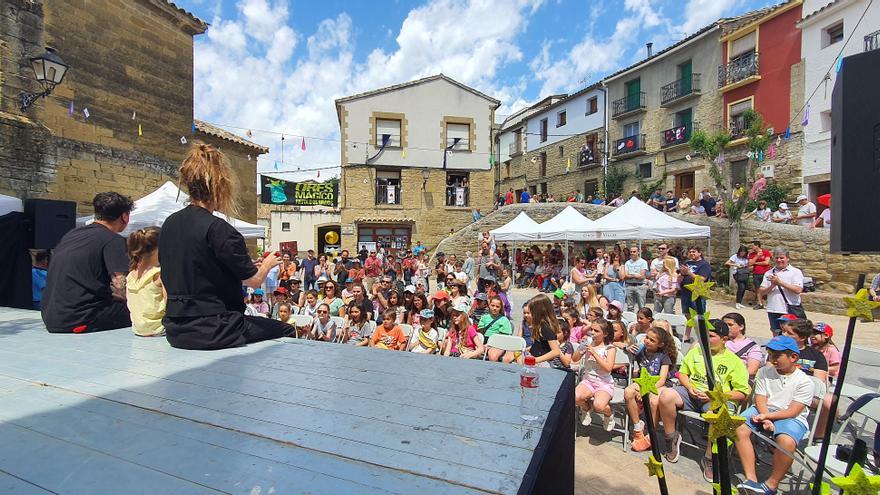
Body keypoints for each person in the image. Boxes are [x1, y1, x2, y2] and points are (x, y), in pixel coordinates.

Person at [158, 144, 291, 349]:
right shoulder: (219, 229)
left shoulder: (169, 224)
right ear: (220, 187)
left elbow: (196, 266)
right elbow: (253, 281)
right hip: (216, 329)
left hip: (175, 329)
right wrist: (267, 264)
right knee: (287, 330)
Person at [657, 319, 750, 467]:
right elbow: (682, 374)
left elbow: (742, 393)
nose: (706, 339)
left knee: (720, 414)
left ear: (724, 339)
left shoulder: (734, 361)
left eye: (711, 336)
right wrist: (689, 387)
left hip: (716, 400)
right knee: (666, 395)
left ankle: (709, 457)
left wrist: (716, 396)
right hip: (691, 394)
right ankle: (671, 438)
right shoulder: (696, 352)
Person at [41, 191, 133, 333]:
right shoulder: (113, 240)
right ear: (124, 216)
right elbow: (121, 284)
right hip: (82, 317)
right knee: (145, 312)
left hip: (51, 316)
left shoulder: (72, 234)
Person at [735, 335, 815, 495]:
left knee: (786, 441)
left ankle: (771, 484)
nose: (772, 359)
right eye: (771, 355)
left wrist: (768, 418)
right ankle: (751, 478)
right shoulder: (765, 371)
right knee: (739, 427)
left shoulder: (805, 382)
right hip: (763, 410)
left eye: (777, 355)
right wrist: (765, 416)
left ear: (793, 357)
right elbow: (760, 399)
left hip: (790, 417)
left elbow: (794, 411)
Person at [626, 327, 676, 452]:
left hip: (658, 385)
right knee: (628, 392)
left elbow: (662, 380)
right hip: (643, 381)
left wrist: (646, 391)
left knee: (653, 402)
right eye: (647, 337)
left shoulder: (663, 357)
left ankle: (651, 434)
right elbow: (616, 342)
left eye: (652, 340)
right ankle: (638, 427)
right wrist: (627, 348)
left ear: (660, 344)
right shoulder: (640, 351)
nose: (647, 341)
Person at [573, 318, 618, 431]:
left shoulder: (610, 348)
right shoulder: (587, 341)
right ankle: (586, 408)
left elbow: (608, 368)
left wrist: (594, 353)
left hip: (604, 383)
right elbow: (574, 359)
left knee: (599, 406)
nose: (592, 333)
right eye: (592, 329)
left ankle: (609, 414)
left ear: (605, 334)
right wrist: (580, 351)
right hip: (588, 380)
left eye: (596, 331)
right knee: (574, 396)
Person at [126, 227, 166, 337]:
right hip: (159, 329)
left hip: (138, 329)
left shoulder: (131, 275)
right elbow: (170, 305)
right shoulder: (159, 275)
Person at [759, 248, 804, 336]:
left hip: (790, 309)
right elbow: (762, 292)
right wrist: (772, 285)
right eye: (777, 258)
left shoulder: (795, 272)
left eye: (782, 258)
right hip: (774, 309)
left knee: (793, 335)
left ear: (787, 258)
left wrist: (780, 283)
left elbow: (798, 290)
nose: (779, 260)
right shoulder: (769, 273)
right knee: (776, 335)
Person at [679, 246, 712, 342]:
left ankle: (702, 337)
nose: (692, 253)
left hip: (697, 294)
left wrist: (688, 272)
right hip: (685, 293)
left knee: (699, 316)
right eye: (690, 252)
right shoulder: (687, 263)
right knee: (687, 315)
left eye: (694, 252)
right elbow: (681, 275)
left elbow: (701, 279)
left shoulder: (704, 265)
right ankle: (687, 335)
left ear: (699, 253)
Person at [723, 312, 763, 380]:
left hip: (740, 380)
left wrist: (730, 377)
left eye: (730, 325)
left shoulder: (752, 347)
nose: (726, 327)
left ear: (741, 327)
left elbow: (752, 370)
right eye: (724, 325)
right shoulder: (718, 341)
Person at [481, 296, 513, 361]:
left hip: (498, 343)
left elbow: (505, 337)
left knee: (493, 355)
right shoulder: (484, 317)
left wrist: (490, 344)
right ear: (489, 306)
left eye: (497, 306)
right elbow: (480, 332)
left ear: (500, 308)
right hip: (484, 341)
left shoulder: (504, 320)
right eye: (492, 305)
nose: (494, 308)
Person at [748, 240, 772, 309]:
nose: (751, 247)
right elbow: (750, 264)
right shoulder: (752, 254)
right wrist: (757, 257)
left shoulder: (765, 252)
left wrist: (755, 263)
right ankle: (760, 303)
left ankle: (769, 303)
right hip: (756, 273)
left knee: (769, 287)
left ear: (757, 245)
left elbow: (766, 262)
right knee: (758, 288)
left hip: (766, 273)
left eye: (752, 246)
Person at [622, 246, 648, 311]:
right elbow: (625, 275)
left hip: (640, 285)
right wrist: (635, 275)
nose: (632, 253)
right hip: (629, 285)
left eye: (634, 252)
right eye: (631, 252)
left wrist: (631, 275)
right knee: (629, 306)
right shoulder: (627, 262)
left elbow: (642, 276)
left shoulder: (643, 262)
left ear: (638, 252)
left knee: (641, 306)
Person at [726, 246, 751, 310]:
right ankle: (737, 302)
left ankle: (739, 302)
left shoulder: (746, 258)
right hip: (737, 274)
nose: (742, 254)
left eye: (744, 253)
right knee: (741, 287)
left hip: (744, 273)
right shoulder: (735, 256)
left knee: (744, 288)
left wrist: (745, 266)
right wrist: (736, 265)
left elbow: (748, 264)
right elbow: (727, 263)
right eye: (741, 252)